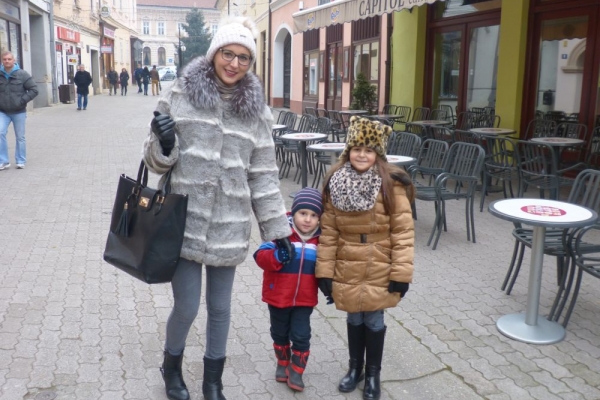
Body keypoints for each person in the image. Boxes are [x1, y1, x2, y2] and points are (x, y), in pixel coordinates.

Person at [142, 16, 293, 400]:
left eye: (244, 57)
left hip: (230, 223)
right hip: (183, 221)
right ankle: (171, 367)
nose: (235, 63)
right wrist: (164, 144)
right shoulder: (180, 95)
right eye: (228, 53)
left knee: (221, 309)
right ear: (214, 54)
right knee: (187, 306)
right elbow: (155, 162)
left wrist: (278, 230)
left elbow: (263, 175)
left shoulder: (257, 112)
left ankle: (213, 382)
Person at [316, 117, 415, 400]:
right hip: (347, 260)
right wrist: (324, 271)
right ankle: (355, 368)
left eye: (369, 150)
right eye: (356, 148)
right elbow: (329, 232)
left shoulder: (391, 185)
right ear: (348, 150)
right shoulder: (335, 182)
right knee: (353, 316)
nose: (362, 154)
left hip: (379, 261)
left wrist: (401, 274)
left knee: (373, 318)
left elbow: (403, 233)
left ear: (378, 154)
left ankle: (373, 374)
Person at [253, 187, 323, 392]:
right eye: (303, 213)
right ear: (294, 213)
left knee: (301, 335)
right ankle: (283, 363)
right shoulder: (280, 233)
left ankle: (297, 371)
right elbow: (260, 256)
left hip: (304, 299)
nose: (307, 219)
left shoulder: (322, 241)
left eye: (314, 215)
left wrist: (331, 285)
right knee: (279, 332)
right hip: (278, 296)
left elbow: (329, 265)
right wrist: (276, 256)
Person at [0, 51, 38, 171]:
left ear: (14, 60)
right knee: (0, 133)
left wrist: (22, 101)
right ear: (2, 61)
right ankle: (3, 161)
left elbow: (34, 89)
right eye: (4, 59)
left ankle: (20, 160)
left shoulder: (22, 74)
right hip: (3, 111)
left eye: (9, 59)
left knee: (20, 137)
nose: (7, 61)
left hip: (19, 112)